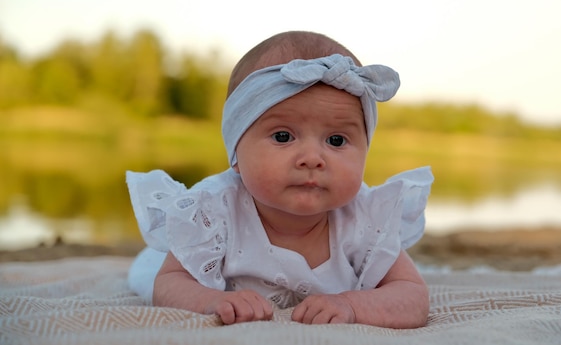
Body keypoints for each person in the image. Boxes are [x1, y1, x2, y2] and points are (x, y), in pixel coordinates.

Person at [126, 31, 434, 328]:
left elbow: (412, 296)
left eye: (337, 141)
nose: (312, 158)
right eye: (283, 136)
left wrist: (352, 305)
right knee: (153, 267)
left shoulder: (365, 217)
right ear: (236, 151)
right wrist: (208, 301)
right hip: (196, 265)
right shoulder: (214, 209)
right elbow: (169, 281)